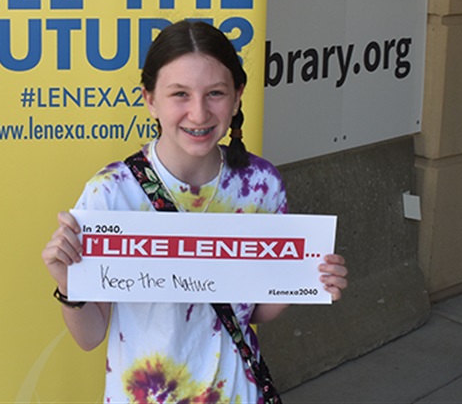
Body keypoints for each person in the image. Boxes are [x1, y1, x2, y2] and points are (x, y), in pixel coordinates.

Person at [41, 21, 348, 403]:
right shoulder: (111, 194)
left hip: (237, 394)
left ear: (237, 97)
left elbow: (253, 311)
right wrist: (68, 283)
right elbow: (89, 337)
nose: (199, 113)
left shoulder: (261, 185)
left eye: (215, 93)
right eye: (180, 94)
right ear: (150, 99)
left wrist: (305, 277)